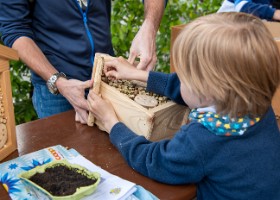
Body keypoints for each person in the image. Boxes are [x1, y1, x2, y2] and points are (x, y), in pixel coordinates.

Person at [87, 12, 280, 199]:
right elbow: (191, 92)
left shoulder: (202, 139)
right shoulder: (259, 107)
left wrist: (112, 123)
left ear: (209, 90)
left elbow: (153, 161)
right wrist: (139, 75)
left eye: (184, 76)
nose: (179, 78)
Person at [0, 0, 165, 124]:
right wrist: (58, 82)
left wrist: (149, 28)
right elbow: (15, 30)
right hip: (58, 92)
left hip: (107, 79)